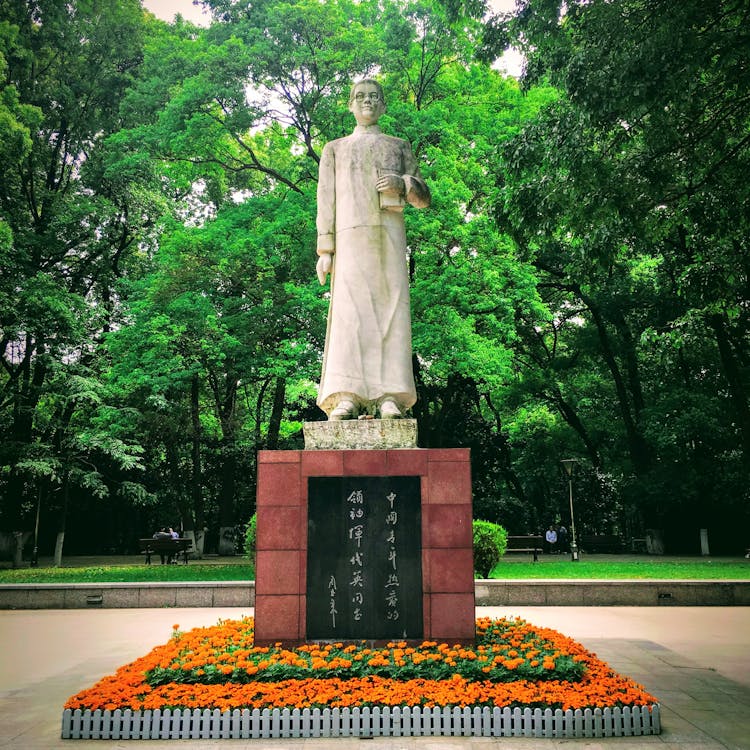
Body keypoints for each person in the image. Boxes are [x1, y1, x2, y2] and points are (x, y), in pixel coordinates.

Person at [315, 79, 431, 420]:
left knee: (391, 313)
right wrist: (326, 249)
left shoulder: (398, 146)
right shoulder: (334, 149)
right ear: (350, 104)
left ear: (384, 105)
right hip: (349, 242)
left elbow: (424, 197)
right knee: (349, 315)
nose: (367, 102)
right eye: (360, 96)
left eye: (374, 96)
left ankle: (389, 395)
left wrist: (404, 184)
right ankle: (346, 394)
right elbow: (326, 200)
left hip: (389, 241)